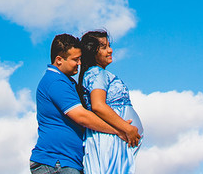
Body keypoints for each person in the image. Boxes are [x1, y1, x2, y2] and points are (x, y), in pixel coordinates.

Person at [31, 33, 141, 174]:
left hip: (65, 162)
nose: (79, 63)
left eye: (80, 59)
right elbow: (82, 116)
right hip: (55, 162)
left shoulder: (66, 82)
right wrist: (119, 130)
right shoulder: (55, 82)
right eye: (75, 59)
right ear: (59, 60)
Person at [78, 30, 143, 174]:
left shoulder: (97, 73)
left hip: (112, 141)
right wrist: (127, 129)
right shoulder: (96, 72)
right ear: (92, 52)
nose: (110, 50)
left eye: (109, 45)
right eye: (104, 47)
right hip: (109, 142)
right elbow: (98, 106)